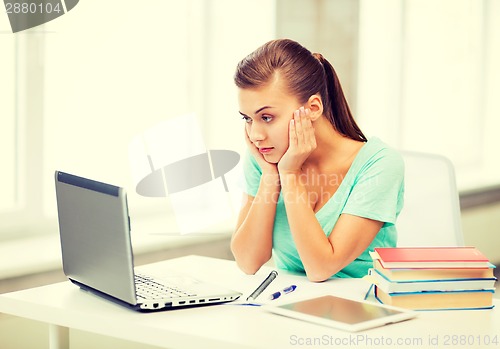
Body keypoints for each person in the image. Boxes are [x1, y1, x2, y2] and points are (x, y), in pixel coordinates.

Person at [230, 38, 404, 282]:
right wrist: (271, 177)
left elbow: (321, 268)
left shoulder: (379, 165)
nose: (255, 135)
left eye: (267, 117)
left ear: (312, 108)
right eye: (247, 119)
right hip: (291, 304)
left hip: (363, 305)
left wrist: (289, 175)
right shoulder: (266, 157)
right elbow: (248, 262)